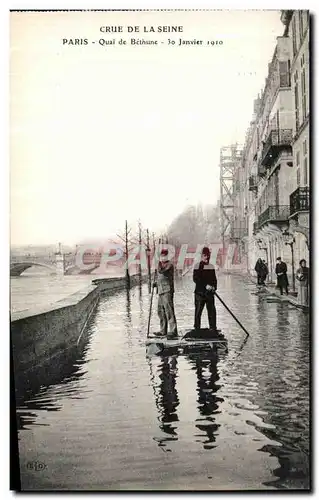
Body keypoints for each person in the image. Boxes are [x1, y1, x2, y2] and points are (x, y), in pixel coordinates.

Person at [154, 249, 178, 338]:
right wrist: (155, 284)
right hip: (160, 290)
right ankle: (163, 330)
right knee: (160, 311)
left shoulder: (169, 265)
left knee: (169, 311)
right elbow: (159, 278)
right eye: (161, 256)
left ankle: (173, 330)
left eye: (164, 256)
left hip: (167, 290)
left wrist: (158, 265)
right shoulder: (160, 265)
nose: (163, 258)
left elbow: (163, 272)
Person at [193, 247, 217, 331]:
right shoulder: (197, 266)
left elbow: (214, 280)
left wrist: (214, 287)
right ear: (202, 256)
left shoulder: (211, 266)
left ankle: (213, 329)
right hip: (200, 294)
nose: (207, 257)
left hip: (209, 294)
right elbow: (196, 279)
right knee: (198, 313)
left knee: (212, 312)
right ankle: (197, 329)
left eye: (208, 255)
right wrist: (206, 286)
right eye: (205, 255)